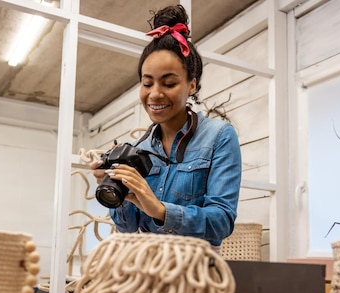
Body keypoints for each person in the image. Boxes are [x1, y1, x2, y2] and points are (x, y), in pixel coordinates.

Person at [91, 4, 242, 249]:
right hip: (147, 268)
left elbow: (222, 221)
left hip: (196, 272)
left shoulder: (218, 136)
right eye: (147, 83)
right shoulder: (139, 149)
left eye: (169, 83)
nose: (155, 94)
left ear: (192, 85)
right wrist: (115, 192)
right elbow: (128, 228)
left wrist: (161, 211)